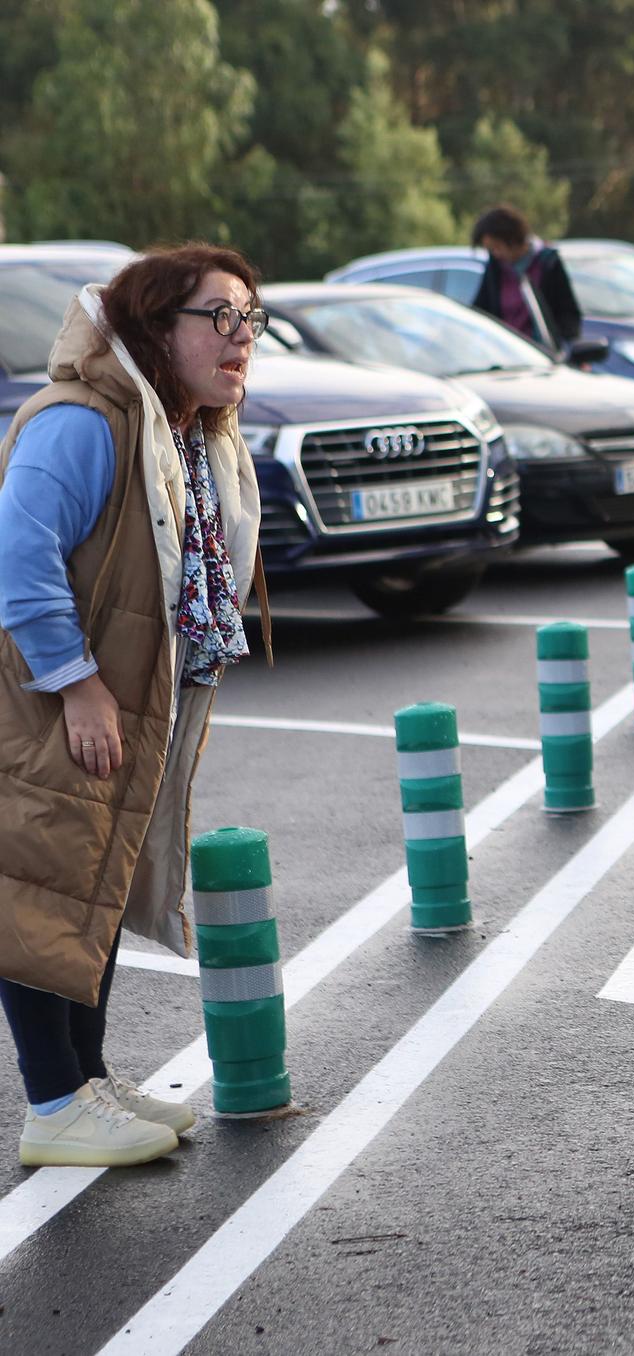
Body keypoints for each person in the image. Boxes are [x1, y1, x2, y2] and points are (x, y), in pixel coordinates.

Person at [0, 244, 271, 1168]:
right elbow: (18, 554)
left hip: (127, 699)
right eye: (218, 317)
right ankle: (52, 1102)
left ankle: (84, 1081)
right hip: (53, 697)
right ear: (157, 329)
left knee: (97, 883)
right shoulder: (84, 422)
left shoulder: (186, 434)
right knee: (42, 885)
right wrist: (75, 684)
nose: (241, 338)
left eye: (251, 319)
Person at [470, 205, 583, 349]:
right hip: (507, 355)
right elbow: (480, 311)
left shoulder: (548, 262)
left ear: (512, 238)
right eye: (490, 249)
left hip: (544, 355)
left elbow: (568, 314)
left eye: (497, 246)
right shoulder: (495, 267)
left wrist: (568, 347)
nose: (495, 253)